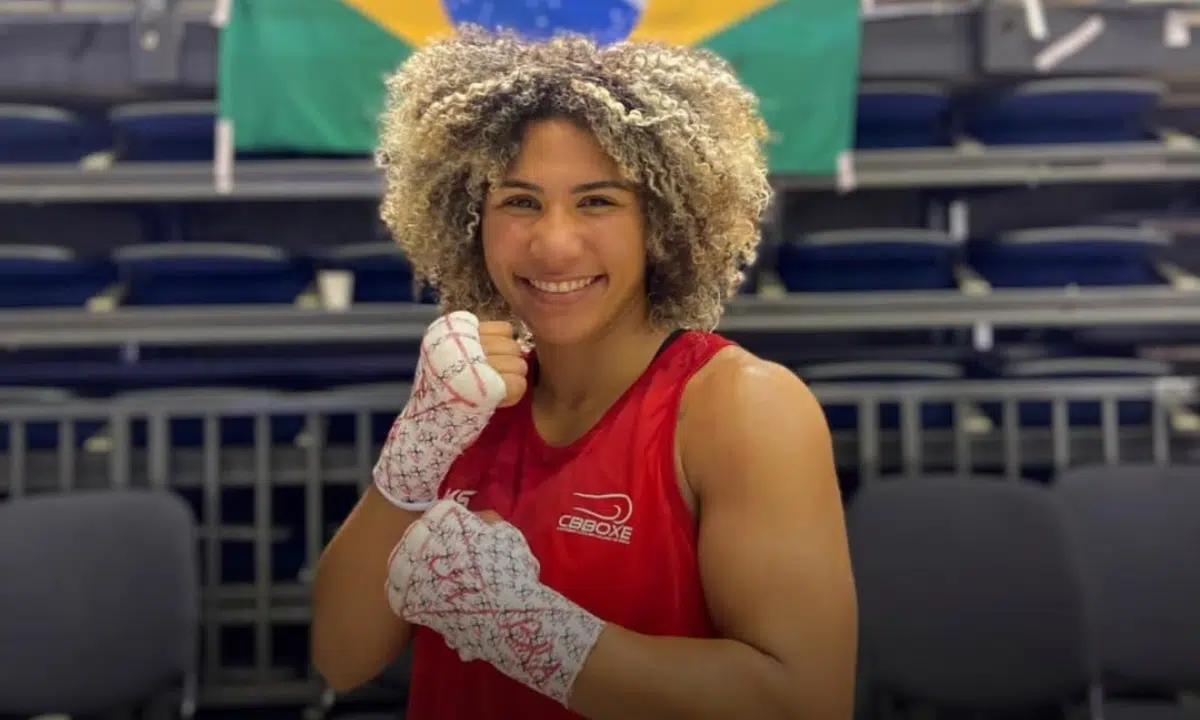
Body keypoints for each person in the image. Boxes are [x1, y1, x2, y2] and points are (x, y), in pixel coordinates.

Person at [312, 26, 858, 720]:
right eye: (520, 201)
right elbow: (341, 656)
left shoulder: (743, 407)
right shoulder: (468, 401)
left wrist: (532, 632)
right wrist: (415, 452)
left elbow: (805, 703)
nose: (554, 243)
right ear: (469, 218)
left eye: (597, 200)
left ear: (660, 222)